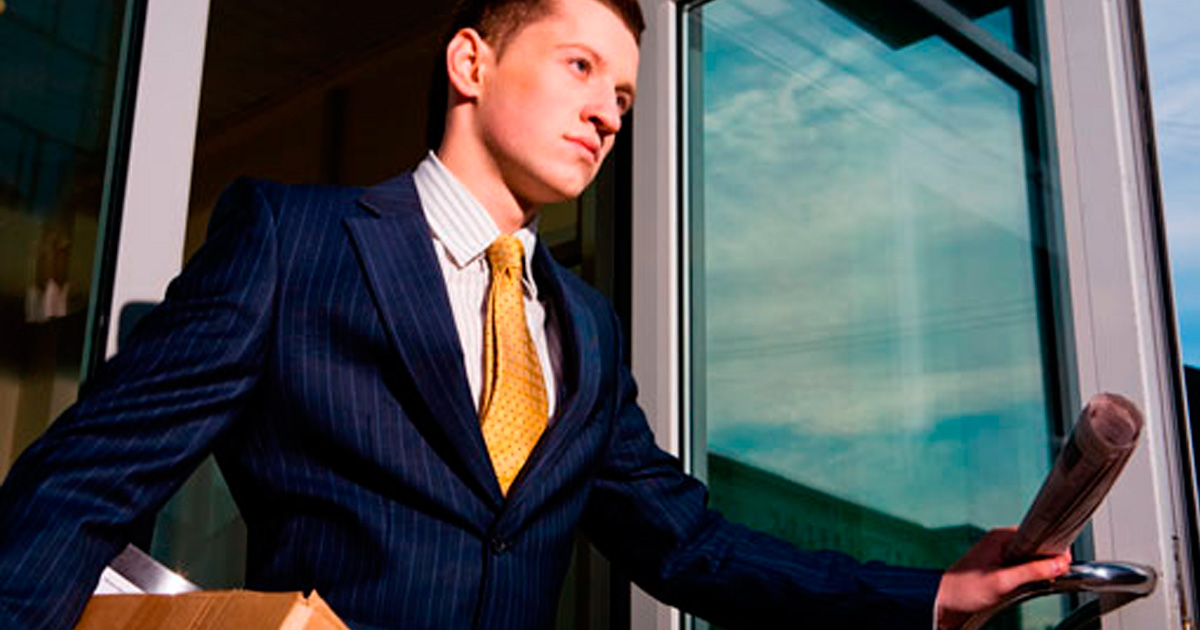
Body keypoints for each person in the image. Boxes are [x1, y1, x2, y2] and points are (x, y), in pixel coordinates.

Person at [0, 0, 1070, 628]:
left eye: (625, 98)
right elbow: (78, 488)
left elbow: (689, 547)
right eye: (581, 67)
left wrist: (930, 592)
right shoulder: (294, 241)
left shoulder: (587, 331)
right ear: (471, 62)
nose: (607, 111)